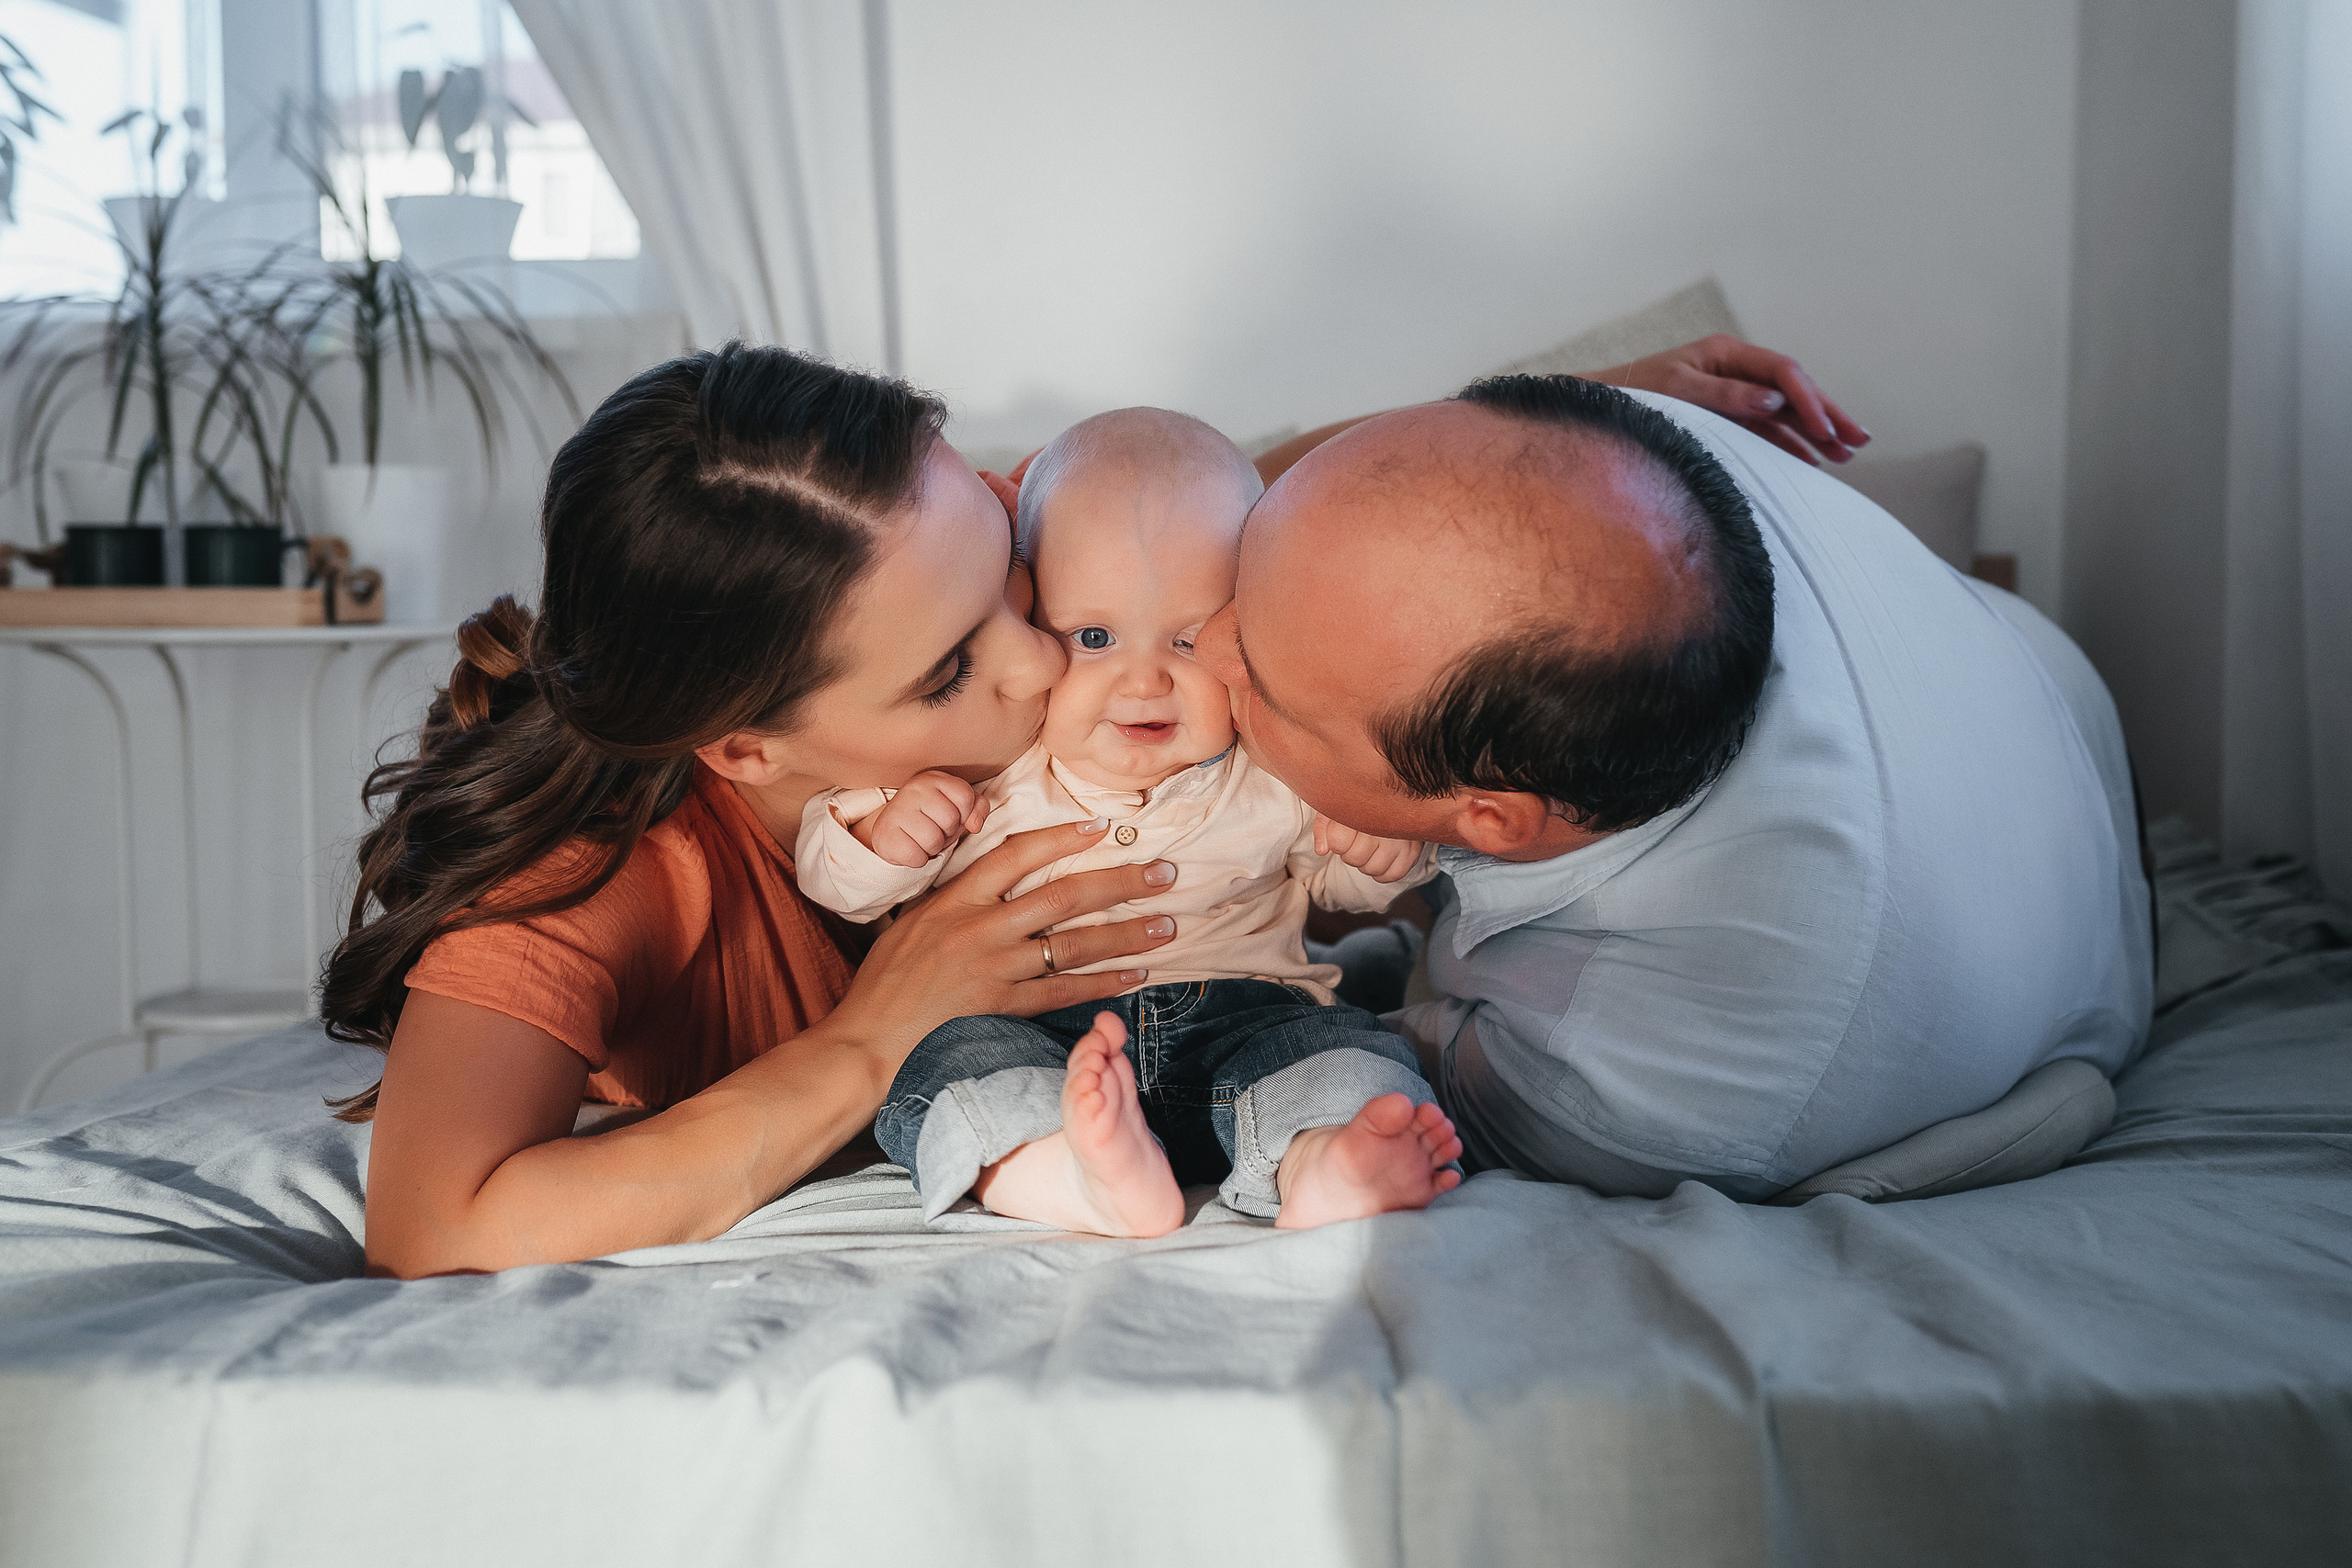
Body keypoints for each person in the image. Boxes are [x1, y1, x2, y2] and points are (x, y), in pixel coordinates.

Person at [322, 334, 1848, 1277]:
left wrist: (1567, 421)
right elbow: (434, 1221)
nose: (1048, 656)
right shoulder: (610, 872)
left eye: (1013, 576)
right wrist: (876, 1036)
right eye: (950, 668)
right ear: (747, 751)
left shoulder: (994, 603)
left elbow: (1184, 506)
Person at [1196, 365, 2154, 1199]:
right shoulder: (1626, 453)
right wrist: (1605, 377)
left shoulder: (1645, 1089)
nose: (1204, 641)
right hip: (2028, 683)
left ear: (1489, 816)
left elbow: (1337, 1058)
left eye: (1264, 687)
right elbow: (1281, 491)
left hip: (2033, 933)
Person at [795, 409, 1459, 1236]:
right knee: (947, 1069)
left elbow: (1346, 883)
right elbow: (835, 877)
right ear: (1029, 615)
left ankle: (1322, 1162)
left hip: (1249, 1021)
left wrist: (1380, 845)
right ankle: (1070, 1172)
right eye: (1095, 637)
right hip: (1041, 1037)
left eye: (1187, 640)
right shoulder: (984, 768)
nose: (1144, 680)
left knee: (1346, 1053)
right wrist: (887, 842)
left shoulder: (1275, 769)